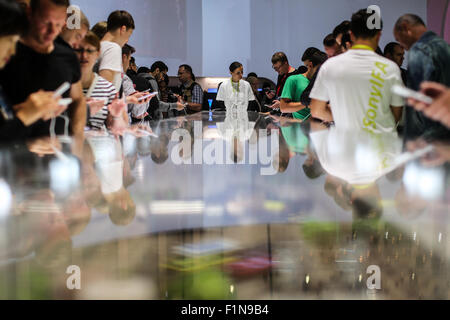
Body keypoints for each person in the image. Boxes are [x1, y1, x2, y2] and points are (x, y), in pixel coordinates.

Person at [0, 0, 86, 138]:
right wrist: (28, 113)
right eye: (46, 22)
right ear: (30, 14)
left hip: (56, 152)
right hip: (14, 151)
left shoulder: (68, 56)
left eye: (58, 24)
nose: (52, 31)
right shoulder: (6, 55)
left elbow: (78, 99)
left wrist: (78, 140)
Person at [310, 9, 404, 132]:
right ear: (378, 35)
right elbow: (395, 115)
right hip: (382, 145)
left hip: (346, 144)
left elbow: (316, 110)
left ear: (352, 35)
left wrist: (342, 117)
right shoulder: (391, 69)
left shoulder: (329, 66)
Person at [394, 14, 450, 140]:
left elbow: (417, 103)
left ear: (406, 28)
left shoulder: (420, 50)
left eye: (399, 39)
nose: (402, 46)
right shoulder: (445, 47)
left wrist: (410, 146)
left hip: (427, 140)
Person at [75, 31, 119, 130]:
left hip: (96, 144)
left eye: (89, 51)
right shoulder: (62, 84)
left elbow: (112, 128)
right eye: (79, 50)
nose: (84, 55)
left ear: (98, 53)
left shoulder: (108, 89)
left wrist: (117, 115)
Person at [98, 10, 135, 92]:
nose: (127, 41)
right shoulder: (113, 48)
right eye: (129, 35)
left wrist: (127, 99)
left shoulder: (99, 46)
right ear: (123, 29)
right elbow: (104, 89)